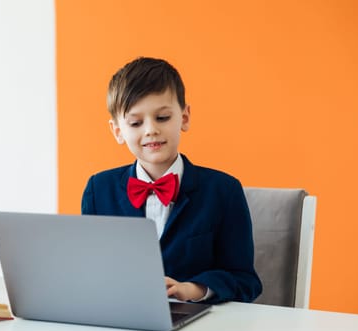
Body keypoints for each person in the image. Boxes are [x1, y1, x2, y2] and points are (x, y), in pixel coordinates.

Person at [81, 57, 262, 304]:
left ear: (184, 117)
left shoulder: (224, 191)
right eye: (136, 123)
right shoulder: (98, 190)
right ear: (117, 131)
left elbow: (245, 281)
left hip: (200, 329)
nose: (150, 130)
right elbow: (91, 271)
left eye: (163, 118)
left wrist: (194, 289)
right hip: (121, 325)